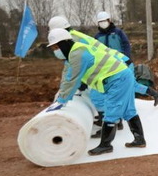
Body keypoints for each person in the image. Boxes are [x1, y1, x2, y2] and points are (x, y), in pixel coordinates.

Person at [46, 28, 147, 156]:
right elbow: (68, 77)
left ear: (63, 43)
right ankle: (139, 139)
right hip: (119, 76)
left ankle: (105, 145)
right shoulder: (75, 52)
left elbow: (73, 79)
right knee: (128, 110)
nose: (55, 51)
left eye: (55, 47)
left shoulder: (77, 54)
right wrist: (62, 96)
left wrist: (62, 101)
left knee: (111, 111)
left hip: (117, 78)